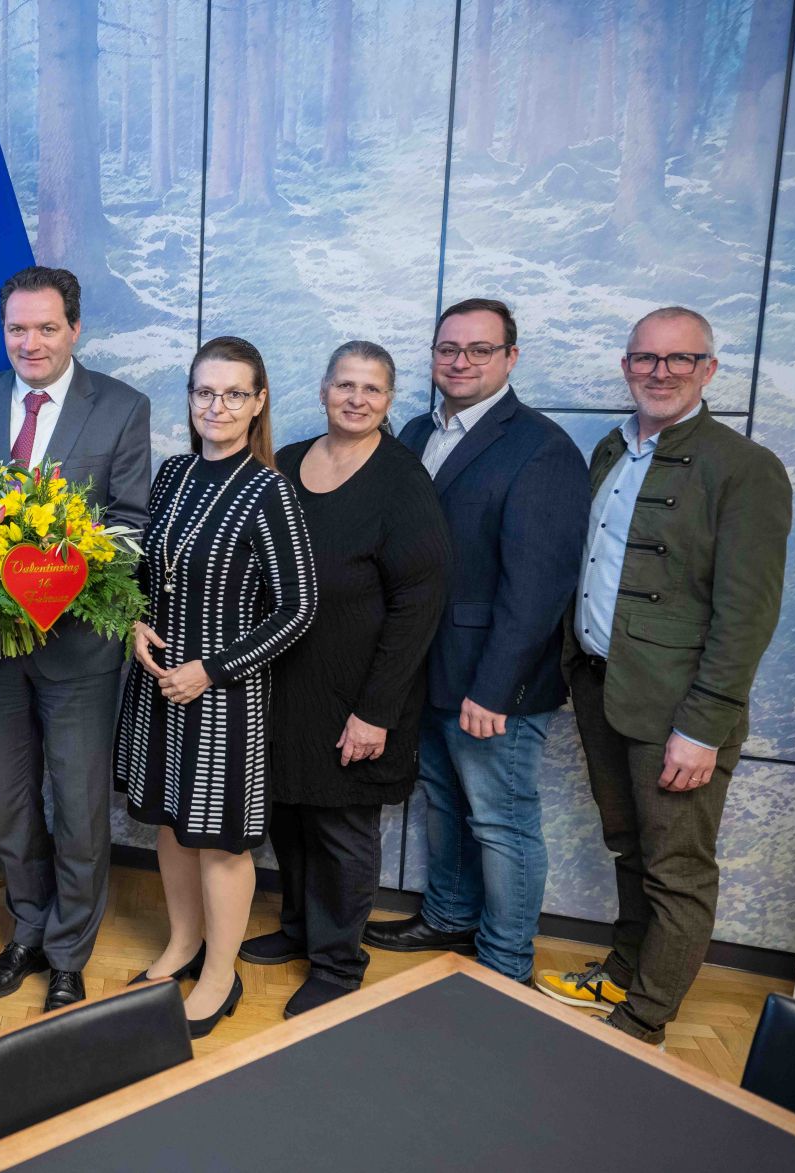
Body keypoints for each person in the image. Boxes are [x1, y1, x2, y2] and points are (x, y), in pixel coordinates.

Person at [538, 307, 790, 1045]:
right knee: (630, 846)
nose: (660, 371)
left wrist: (703, 726)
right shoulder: (611, 450)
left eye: (680, 360)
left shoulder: (744, 468)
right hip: (601, 687)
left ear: (709, 370)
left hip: (678, 708)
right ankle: (621, 969)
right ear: (627, 366)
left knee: (676, 867)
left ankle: (643, 1019)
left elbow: (746, 616)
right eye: (646, 358)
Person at [0, 265, 152, 1012]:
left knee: (80, 800)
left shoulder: (121, 407)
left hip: (78, 651)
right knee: (14, 798)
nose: (31, 341)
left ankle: (68, 949)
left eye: (46, 327)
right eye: (17, 328)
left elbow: (131, 525)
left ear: (75, 329)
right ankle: (26, 929)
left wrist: (60, 573)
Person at [364, 298, 587, 984]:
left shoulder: (541, 448)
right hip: (427, 667)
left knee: (502, 820)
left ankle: (505, 959)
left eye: (479, 349)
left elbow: (538, 587)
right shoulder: (413, 429)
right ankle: (450, 914)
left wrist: (497, 688)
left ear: (510, 358)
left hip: (494, 682)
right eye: (447, 348)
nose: (460, 361)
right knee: (446, 800)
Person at [113, 335, 317, 1038]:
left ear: (258, 402)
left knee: (221, 840)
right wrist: (134, 621)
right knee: (172, 823)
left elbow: (298, 608)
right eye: (205, 391)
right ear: (191, 397)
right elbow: (143, 570)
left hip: (224, 694)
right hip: (158, 683)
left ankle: (221, 974)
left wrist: (212, 669)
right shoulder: (171, 473)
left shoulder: (271, 490)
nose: (217, 406)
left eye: (235, 393)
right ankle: (181, 943)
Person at [246, 341, 449, 1018]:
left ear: (390, 401)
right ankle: (302, 929)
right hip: (284, 683)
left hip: (359, 692)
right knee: (290, 815)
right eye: (345, 385)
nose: (357, 398)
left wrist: (376, 710)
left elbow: (420, 601)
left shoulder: (401, 478)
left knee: (341, 828)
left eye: (373, 389)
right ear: (324, 388)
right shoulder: (288, 461)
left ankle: (338, 961)